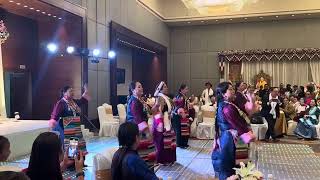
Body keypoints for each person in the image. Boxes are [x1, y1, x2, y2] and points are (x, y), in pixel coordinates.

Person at [211, 82, 255, 180]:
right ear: (223, 94)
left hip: (226, 138)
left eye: (232, 88)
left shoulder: (226, 104)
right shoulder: (227, 107)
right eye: (230, 89)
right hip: (230, 140)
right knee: (231, 165)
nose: (233, 90)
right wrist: (248, 135)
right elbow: (238, 125)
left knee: (228, 164)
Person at [48, 85, 89, 153]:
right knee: (69, 148)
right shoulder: (61, 103)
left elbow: (82, 101)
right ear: (65, 93)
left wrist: (86, 92)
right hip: (67, 127)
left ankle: (78, 161)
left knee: (78, 147)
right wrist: (52, 122)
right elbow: (55, 115)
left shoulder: (73, 101)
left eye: (73, 91)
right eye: (70, 91)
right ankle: (69, 161)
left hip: (75, 126)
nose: (72, 92)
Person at [126, 81, 155, 168]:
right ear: (133, 90)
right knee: (143, 154)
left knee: (146, 153)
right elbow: (138, 119)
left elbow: (148, 112)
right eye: (138, 87)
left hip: (140, 129)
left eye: (141, 86)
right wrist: (147, 132)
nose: (141, 88)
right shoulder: (134, 102)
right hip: (136, 130)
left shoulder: (140, 100)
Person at [152, 81, 176, 164]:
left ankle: (169, 159)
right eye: (165, 87)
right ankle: (163, 159)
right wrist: (161, 122)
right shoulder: (160, 97)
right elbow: (159, 111)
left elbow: (171, 107)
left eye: (166, 86)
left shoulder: (165, 97)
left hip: (167, 120)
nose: (167, 88)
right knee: (162, 141)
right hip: (161, 122)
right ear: (160, 89)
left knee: (169, 140)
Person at [172, 84, 193, 148]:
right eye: (186, 89)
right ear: (181, 89)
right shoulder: (179, 96)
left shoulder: (183, 96)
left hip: (184, 114)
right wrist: (182, 113)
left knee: (184, 129)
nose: (187, 90)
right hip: (179, 115)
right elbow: (179, 106)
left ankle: (184, 143)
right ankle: (180, 144)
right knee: (180, 130)